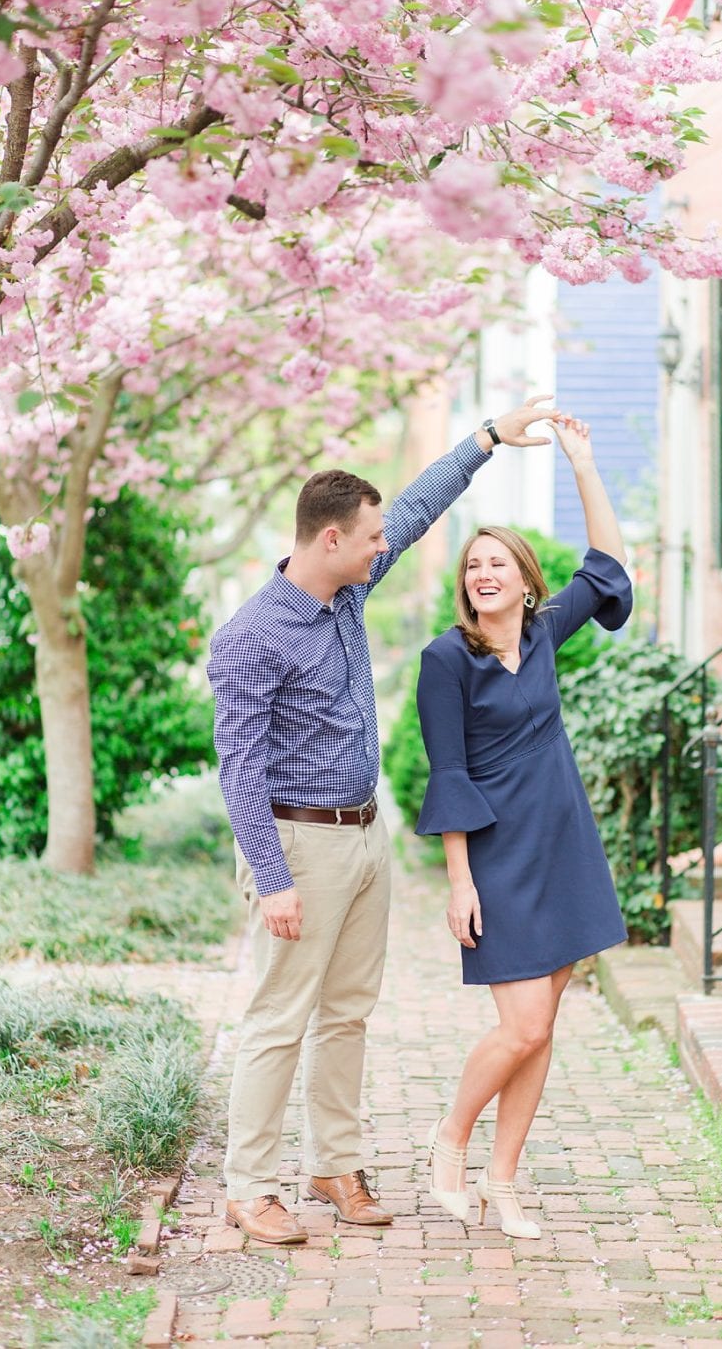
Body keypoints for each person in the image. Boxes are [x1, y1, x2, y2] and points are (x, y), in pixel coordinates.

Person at [206, 397, 563, 1246]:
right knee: (278, 1016)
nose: (383, 548)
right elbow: (238, 769)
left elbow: (411, 507)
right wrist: (274, 876)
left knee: (348, 1010)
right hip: (299, 842)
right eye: (369, 540)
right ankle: (249, 1186)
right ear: (330, 539)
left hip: (365, 834)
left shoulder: (349, 593)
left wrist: (485, 440)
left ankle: (334, 1164)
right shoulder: (251, 636)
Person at [415, 414, 632, 1238]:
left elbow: (609, 571)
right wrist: (460, 882)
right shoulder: (448, 660)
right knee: (524, 1024)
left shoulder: (543, 635)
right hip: (500, 859)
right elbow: (450, 775)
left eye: (497, 563)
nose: (482, 575)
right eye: (473, 567)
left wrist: (584, 463)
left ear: (525, 580)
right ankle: (450, 1139)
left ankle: (502, 1183)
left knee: (544, 1028)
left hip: (564, 847)